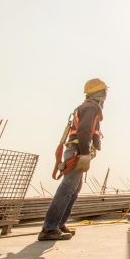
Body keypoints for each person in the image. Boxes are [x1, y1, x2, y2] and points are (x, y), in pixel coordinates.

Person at [38, 78, 107, 241]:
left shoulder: (87, 106)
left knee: (73, 191)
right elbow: (84, 132)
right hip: (77, 151)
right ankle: (49, 228)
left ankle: (59, 224)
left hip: (76, 150)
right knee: (67, 189)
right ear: (100, 93)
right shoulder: (91, 107)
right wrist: (84, 154)